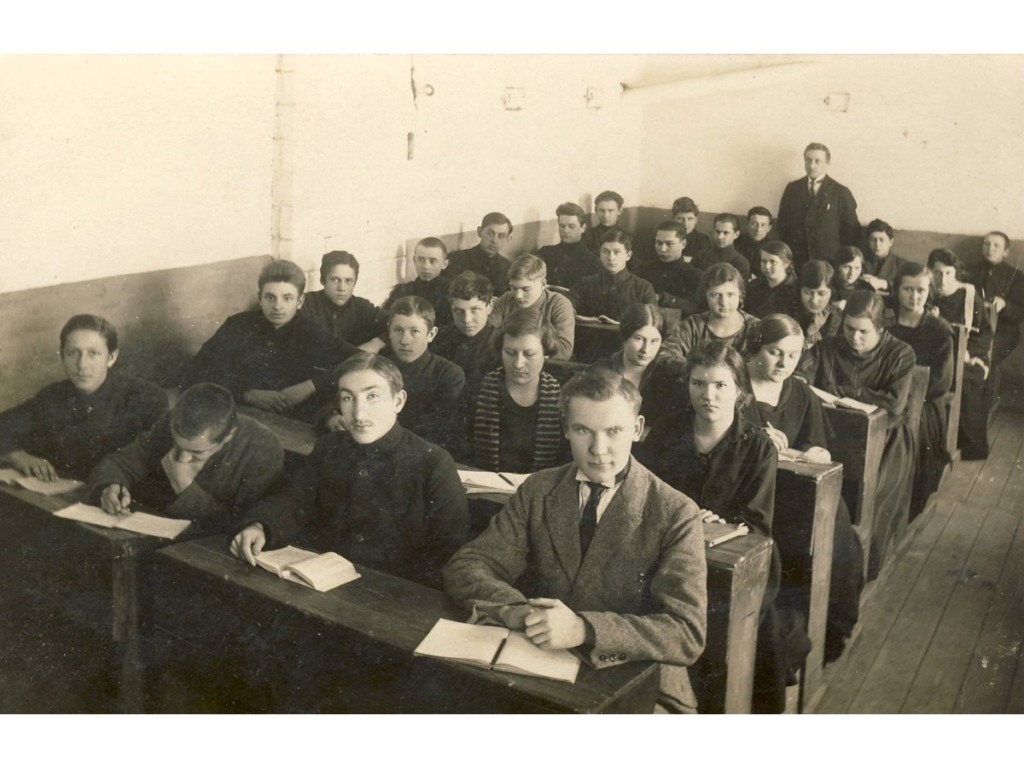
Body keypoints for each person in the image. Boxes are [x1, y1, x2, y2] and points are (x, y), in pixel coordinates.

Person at [444, 367, 708, 714]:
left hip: (642, 683)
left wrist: (585, 629)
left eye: (613, 431)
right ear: (566, 429)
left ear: (637, 429)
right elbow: (468, 565)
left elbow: (686, 632)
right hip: (541, 665)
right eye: (583, 430)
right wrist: (515, 610)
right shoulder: (538, 489)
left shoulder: (676, 511)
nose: (599, 449)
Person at [232, 352, 469, 589]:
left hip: (394, 594)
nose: (358, 413)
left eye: (372, 396)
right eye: (348, 398)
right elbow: (294, 500)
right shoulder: (329, 448)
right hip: (323, 584)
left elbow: (446, 552)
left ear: (398, 401)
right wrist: (261, 526)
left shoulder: (433, 463)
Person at [637, 341, 786, 713]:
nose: (709, 395)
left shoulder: (758, 447)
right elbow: (644, 494)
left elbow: (757, 523)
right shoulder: (667, 431)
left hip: (734, 566)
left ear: (739, 390)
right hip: (667, 551)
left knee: (716, 630)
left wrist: (723, 524)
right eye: (699, 383)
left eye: (721, 385)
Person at [742, 315, 864, 662]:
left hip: (795, 491)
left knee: (837, 533)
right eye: (775, 352)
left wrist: (812, 452)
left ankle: (827, 631)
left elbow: (817, 443)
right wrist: (757, 443)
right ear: (757, 348)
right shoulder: (734, 385)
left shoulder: (799, 392)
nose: (784, 363)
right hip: (751, 492)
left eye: (793, 355)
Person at [806, 290, 917, 579]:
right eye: (849, 329)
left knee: (872, 499)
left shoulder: (901, 353)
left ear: (879, 328)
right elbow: (801, 382)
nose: (854, 338)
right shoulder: (827, 347)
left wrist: (840, 392)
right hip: (830, 434)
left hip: (886, 440)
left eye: (863, 332)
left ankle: (859, 570)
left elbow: (893, 405)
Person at [89, 383, 283, 537]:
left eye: (196, 452)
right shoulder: (171, 421)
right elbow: (122, 462)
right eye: (177, 444)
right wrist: (110, 485)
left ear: (228, 436)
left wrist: (185, 487)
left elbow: (240, 524)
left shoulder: (263, 449)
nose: (181, 458)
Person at [181, 259, 357, 420]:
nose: (277, 306)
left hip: (289, 421)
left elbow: (359, 360)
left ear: (300, 301)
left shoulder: (311, 332)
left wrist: (310, 386)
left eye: (287, 298)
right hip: (236, 413)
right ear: (260, 299)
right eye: (270, 297)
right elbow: (194, 372)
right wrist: (247, 394)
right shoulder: (238, 325)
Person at [0, 314, 167, 482]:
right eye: (73, 353)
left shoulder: (146, 398)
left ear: (111, 357)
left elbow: (157, 467)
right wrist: (16, 455)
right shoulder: (52, 397)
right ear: (62, 355)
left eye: (93, 353)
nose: (82, 364)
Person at [888, 263, 954, 519]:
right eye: (908, 289)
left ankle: (908, 504)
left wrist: (905, 398)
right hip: (887, 397)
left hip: (924, 403)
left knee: (913, 430)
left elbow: (941, 382)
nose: (914, 297)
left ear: (929, 292)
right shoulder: (885, 324)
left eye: (921, 290)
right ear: (897, 289)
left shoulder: (939, 330)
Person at [471, 309, 566, 473]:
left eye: (529, 354)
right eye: (510, 353)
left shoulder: (560, 397)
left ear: (546, 353)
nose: (518, 364)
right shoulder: (479, 389)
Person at [367, 296, 465, 450]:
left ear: (431, 334)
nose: (405, 340)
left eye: (415, 331)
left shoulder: (449, 374)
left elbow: (438, 430)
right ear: (389, 332)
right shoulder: (375, 369)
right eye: (398, 330)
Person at [929, 248, 991, 460]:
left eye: (948, 273)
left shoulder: (968, 295)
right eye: (938, 273)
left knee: (965, 377)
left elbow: (984, 333)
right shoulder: (926, 291)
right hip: (935, 354)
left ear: (955, 272)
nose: (943, 279)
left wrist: (971, 353)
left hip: (968, 354)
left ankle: (967, 444)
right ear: (930, 272)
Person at [776, 142, 861, 268]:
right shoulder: (792, 189)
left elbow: (851, 233)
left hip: (828, 263)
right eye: (808, 160)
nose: (811, 165)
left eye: (817, 161)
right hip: (796, 260)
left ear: (827, 163)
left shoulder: (841, 192)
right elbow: (782, 225)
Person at [593, 303, 680, 422]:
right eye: (639, 339)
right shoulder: (601, 371)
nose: (646, 349)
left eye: (654, 341)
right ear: (625, 337)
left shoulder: (667, 376)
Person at [660, 263, 758, 368]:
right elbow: (665, 354)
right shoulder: (692, 326)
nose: (723, 302)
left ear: (740, 294)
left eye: (730, 294)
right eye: (716, 295)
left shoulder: (755, 327)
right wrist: (696, 371)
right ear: (705, 295)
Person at [489, 254, 574, 360]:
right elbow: (488, 335)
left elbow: (564, 351)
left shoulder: (559, 304)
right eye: (514, 288)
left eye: (526, 289)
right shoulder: (506, 299)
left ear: (543, 284)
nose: (518, 296)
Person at [432, 271, 499, 406]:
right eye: (459, 311)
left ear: (489, 306)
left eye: (474, 310)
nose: (467, 320)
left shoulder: (501, 343)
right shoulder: (438, 338)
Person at [299, 250, 387, 346]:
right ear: (323, 280)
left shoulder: (362, 307)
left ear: (355, 282)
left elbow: (393, 323)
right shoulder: (306, 304)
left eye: (348, 281)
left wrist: (375, 344)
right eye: (335, 280)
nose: (341, 288)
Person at [569, 230, 656, 323]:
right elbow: (566, 307)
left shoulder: (643, 288)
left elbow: (653, 321)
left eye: (617, 252)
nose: (611, 258)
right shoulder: (585, 284)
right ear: (599, 254)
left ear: (628, 255)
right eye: (605, 252)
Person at [973, 230, 1024, 367]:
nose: (990, 248)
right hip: (975, 327)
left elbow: (1020, 312)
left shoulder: (1016, 276)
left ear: (1005, 252)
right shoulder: (972, 271)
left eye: (996, 245)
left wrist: (1004, 305)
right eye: (987, 244)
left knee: (985, 354)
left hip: (1003, 331)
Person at [634, 220, 703, 315]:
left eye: (669, 244)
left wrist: (664, 298)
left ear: (683, 244)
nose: (662, 249)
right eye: (659, 243)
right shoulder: (643, 269)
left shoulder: (695, 276)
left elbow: (695, 308)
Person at [383, 237, 454, 327]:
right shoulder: (402, 291)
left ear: (444, 264)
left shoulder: (452, 293)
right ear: (414, 260)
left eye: (432, 261)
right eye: (421, 260)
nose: (425, 266)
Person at [444, 212, 514, 295]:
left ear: (507, 238)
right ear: (479, 232)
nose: (494, 240)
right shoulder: (457, 259)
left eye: (501, 236)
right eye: (489, 233)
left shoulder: (509, 268)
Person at [795, 260, 844, 378]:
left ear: (832, 292)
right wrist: (810, 333)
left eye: (821, 294)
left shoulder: (837, 318)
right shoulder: (789, 311)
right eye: (808, 292)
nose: (814, 300)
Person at [536, 202, 601, 290]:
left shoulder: (592, 262)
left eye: (571, 226)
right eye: (562, 226)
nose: (566, 230)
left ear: (583, 228)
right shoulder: (545, 253)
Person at [745, 240, 801, 318]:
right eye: (764, 261)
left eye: (772, 262)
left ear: (786, 263)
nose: (767, 266)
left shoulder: (797, 290)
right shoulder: (753, 286)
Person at [693, 213, 753, 282]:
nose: (720, 237)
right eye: (717, 232)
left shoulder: (741, 262)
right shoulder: (700, 256)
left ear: (736, 234)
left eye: (725, 233)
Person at [860, 219, 908, 293]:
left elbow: (908, 286)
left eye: (881, 240)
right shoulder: (861, 262)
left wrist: (885, 284)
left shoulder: (901, 264)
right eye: (873, 240)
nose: (877, 245)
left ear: (891, 242)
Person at [581, 190, 631, 256]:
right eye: (602, 210)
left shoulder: (628, 237)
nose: (606, 215)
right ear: (596, 211)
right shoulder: (588, 236)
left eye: (610, 210)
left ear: (620, 211)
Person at [736, 206, 775, 279]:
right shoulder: (736, 241)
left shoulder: (773, 247)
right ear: (747, 224)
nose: (758, 229)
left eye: (763, 225)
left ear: (769, 228)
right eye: (754, 224)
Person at [831, 246, 874, 310]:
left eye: (857, 268)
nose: (852, 273)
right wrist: (832, 307)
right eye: (847, 267)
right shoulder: (829, 287)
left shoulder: (866, 288)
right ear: (838, 266)